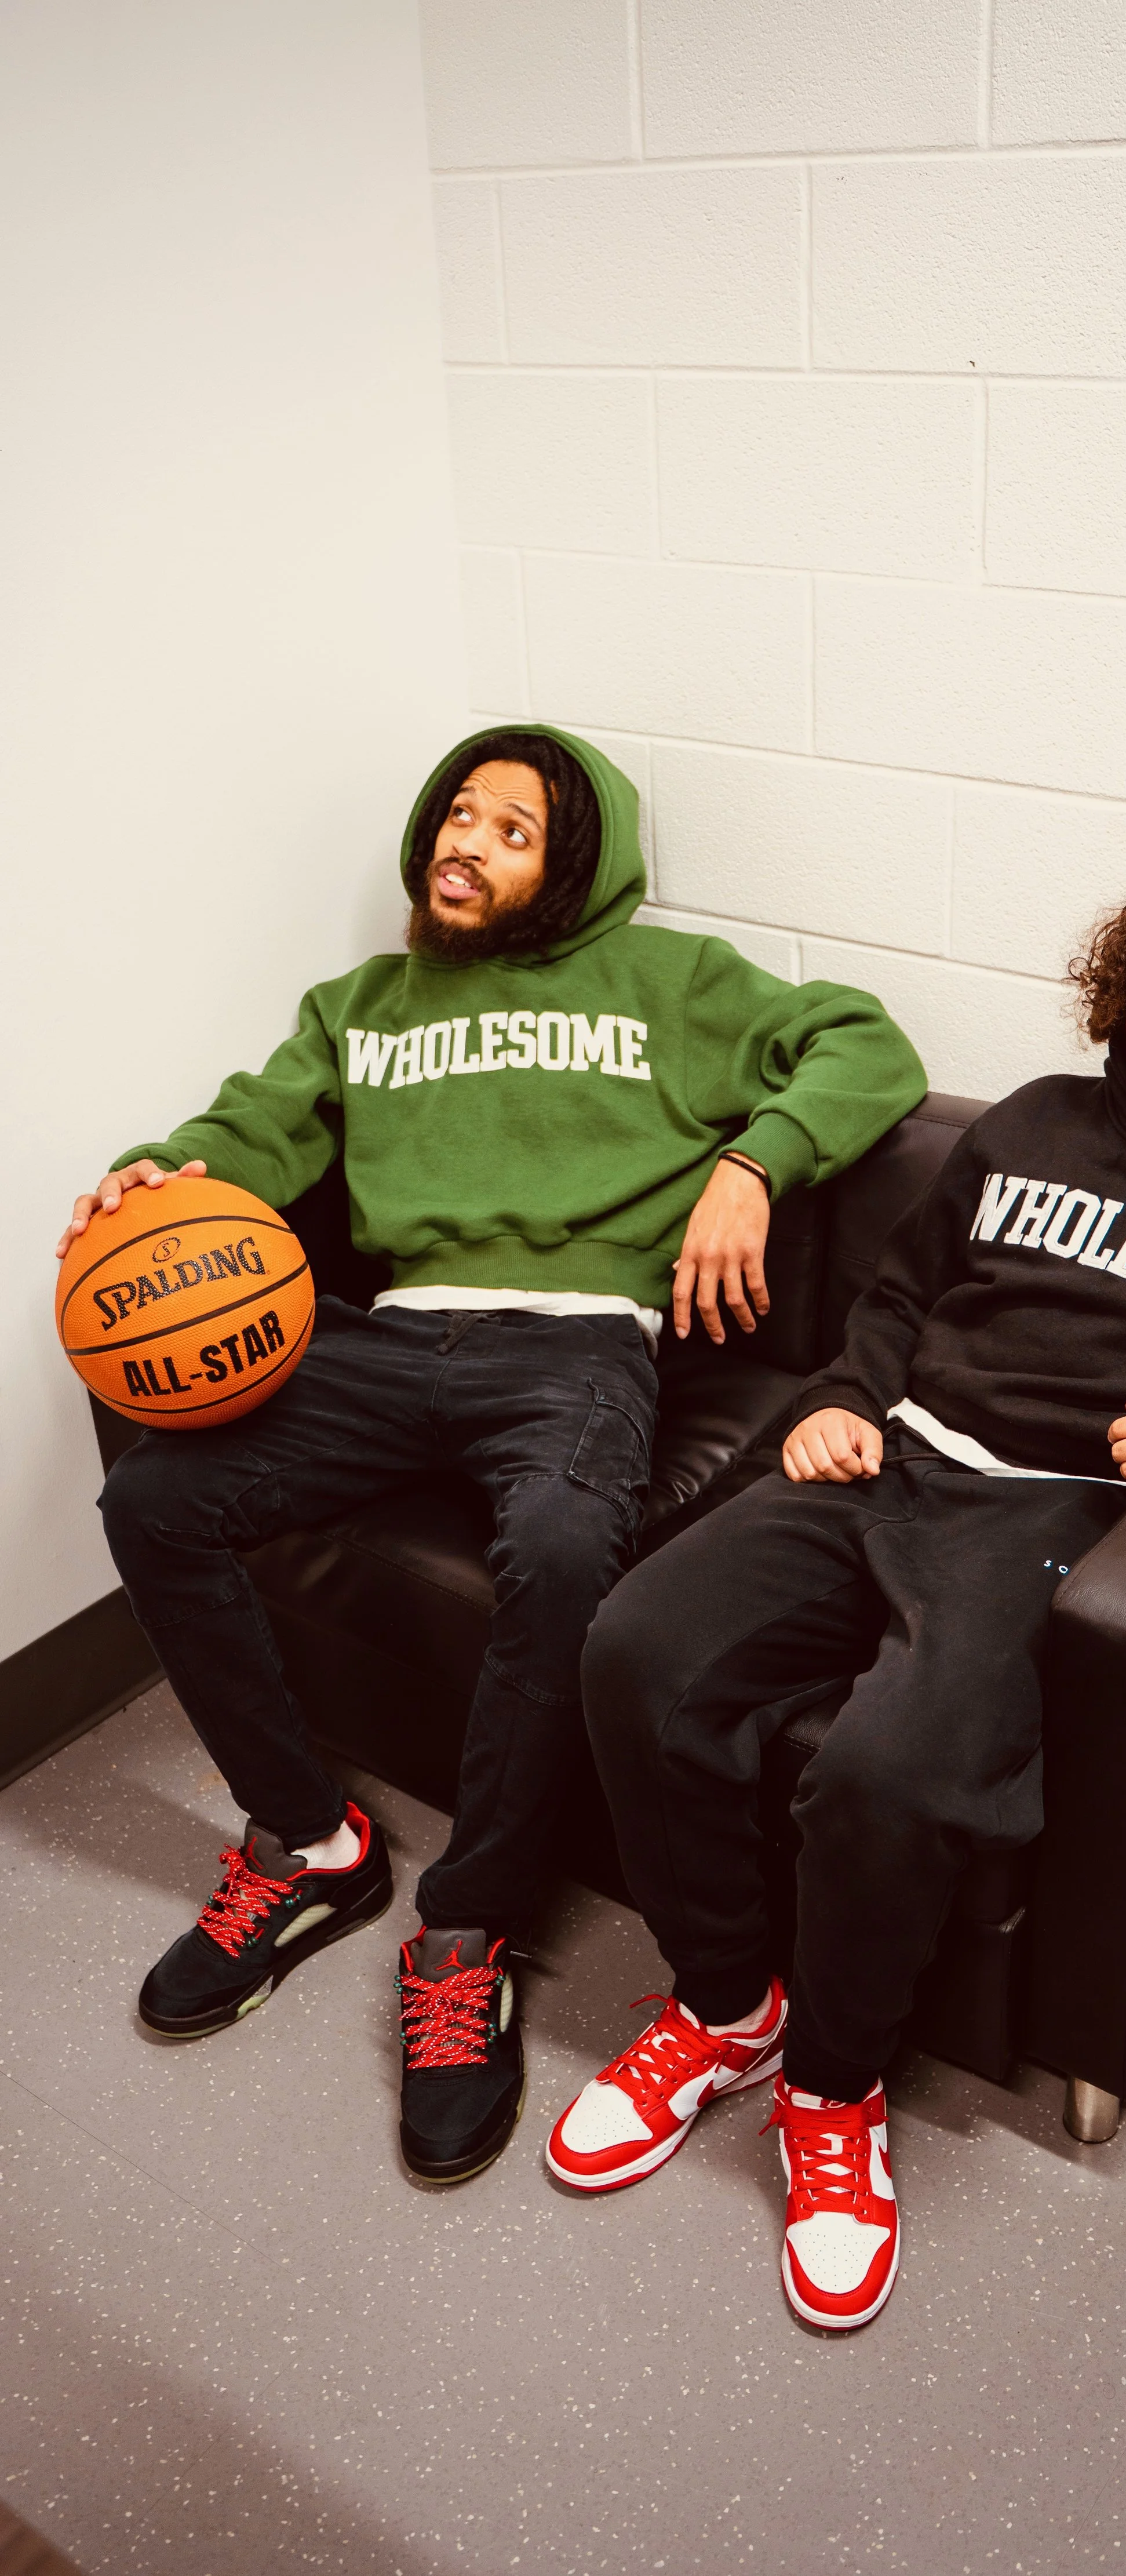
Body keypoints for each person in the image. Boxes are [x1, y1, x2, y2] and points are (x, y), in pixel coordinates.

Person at [549, 858, 1126, 2330]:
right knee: (637, 1645)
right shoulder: (1033, 1122)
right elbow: (901, 1296)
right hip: (885, 1461)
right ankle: (726, 2005)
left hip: (1044, 1519)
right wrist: (840, 1394)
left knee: (890, 1769)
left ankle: (833, 2095)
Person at [63, 723, 925, 2184]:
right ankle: (308, 1838)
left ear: (572, 867)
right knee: (152, 1494)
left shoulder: (677, 985)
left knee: (567, 1545)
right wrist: (174, 1173)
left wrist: (748, 1162)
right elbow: (255, 1133)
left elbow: (866, 1043)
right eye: (456, 814)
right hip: (377, 1337)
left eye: (512, 829)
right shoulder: (362, 1004)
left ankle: (464, 1930)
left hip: (576, 1344)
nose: (466, 841)